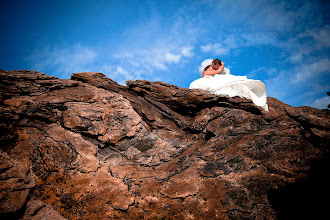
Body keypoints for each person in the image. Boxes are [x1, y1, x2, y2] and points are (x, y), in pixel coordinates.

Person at [190, 58, 268, 111]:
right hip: (206, 82)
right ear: (207, 68)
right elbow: (217, 72)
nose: (212, 68)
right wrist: (222, 65)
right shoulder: (206, 72)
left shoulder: (210, 74)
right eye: (211, 67)